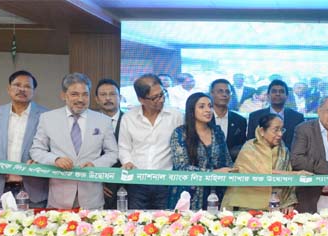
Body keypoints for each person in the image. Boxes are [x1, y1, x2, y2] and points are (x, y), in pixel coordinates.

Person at [30, 73, 118, 209]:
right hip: (59, 197)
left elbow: (112, 153)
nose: (80, 99)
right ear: (63, 96)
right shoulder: (47, 118)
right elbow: (36, 150)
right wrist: (55, 159)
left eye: (85, 94)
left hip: (92, 197)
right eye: (74, 94)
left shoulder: (103, 121)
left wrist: (95, 164)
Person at [119, 73, 184, 210]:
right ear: (141, 99)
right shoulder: (128, 118)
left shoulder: (176, 116)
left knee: (166, 223)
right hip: (137, 181)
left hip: (165, 182)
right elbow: (124, 147)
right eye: (155, 98)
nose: (161, 100)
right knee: (135, 222)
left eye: (162, 94)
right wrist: (127, 162)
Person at [0, 70, 48, 207]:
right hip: (2, 186)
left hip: (34, 188)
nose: (22, 89)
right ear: (9, 89)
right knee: (2, 227)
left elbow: (53, 148)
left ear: (34, 91)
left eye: (27, 86)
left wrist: (41, 159)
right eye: (17, 85)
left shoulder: (47, 116)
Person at [222, 114, 311, 213]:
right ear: (262, 131)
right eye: (276, 130)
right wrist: (294, 174)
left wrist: (289, 203)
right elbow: (262, 173)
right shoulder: (250, 148)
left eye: (282, 130)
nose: (280, 134)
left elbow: (288, 184)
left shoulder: (283, 150)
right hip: (248, 207)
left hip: (276, 205)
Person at [169, 93, 234, 210]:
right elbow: (181, 167)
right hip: (189, 194)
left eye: (210, 106)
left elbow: (227, 161)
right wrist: (213, 173)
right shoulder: (180, 133)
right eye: (202, 107)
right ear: (191, 110)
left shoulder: (217, 132)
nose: (208, 110)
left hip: (216, 192)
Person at [247, 80, 304, 150]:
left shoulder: (298, 117)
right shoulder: (255, 117)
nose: (277, 94)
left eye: (281, 91)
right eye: (274, 91)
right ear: (268, 95)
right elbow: (251, 143)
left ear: (287, 96)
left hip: (290, 158)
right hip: (261, 158)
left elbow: (301, 144)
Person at [95, 78, 125, 209]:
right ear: (96, 99)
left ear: (120, 97)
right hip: (100, 181)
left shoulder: (131, 120)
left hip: (129, 181)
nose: (108, 98)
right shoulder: (90, 121)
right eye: (103, 95)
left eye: (112, 94)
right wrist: (96, 184)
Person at [209, 79, 247, 161]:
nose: (224, 95)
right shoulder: (204, 118)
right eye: (220, 91)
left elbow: (242, 146)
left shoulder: (240, 120)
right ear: (211, 93)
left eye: (227, 92)